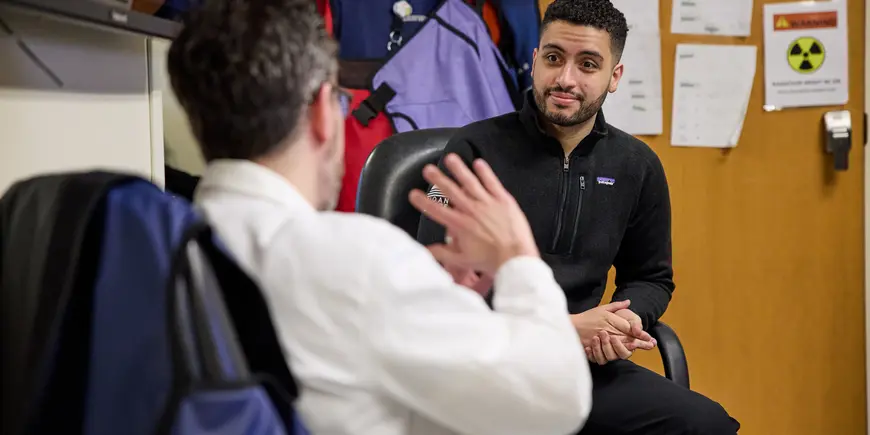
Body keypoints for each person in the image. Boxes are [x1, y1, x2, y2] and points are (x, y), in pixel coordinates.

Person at [166, 1, 598, 434]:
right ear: (322, 111)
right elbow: (557, 400)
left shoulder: (153, 252)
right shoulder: (362, 262)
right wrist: (519, 260)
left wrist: (436, 299)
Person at [417, 0, 741, 433]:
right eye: (553, 58)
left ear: (614, 77)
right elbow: (432, 282)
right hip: (484, 365)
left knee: (707, 425)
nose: (565, 79)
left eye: (588, 64)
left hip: (581, 368)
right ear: (534, 61)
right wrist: (564, 328)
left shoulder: (636, 165)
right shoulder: (474, 150)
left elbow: (651, 277)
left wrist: (624, 320)